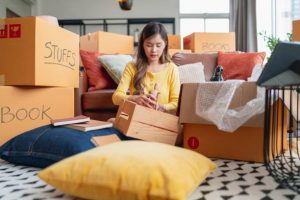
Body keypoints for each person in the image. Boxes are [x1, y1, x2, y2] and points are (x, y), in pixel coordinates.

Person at [112, 22, 180, 113]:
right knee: (111, 122)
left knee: (113, 122)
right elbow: (116, 97)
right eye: (149, 45)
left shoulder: (172, 69)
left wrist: (162, 107)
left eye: (158, 45)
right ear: (142, 45)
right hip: (138, 118)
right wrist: (134, 99)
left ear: (165, 45)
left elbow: (176, 102)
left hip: (163, 120)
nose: (154, 50)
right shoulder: (132, 67)